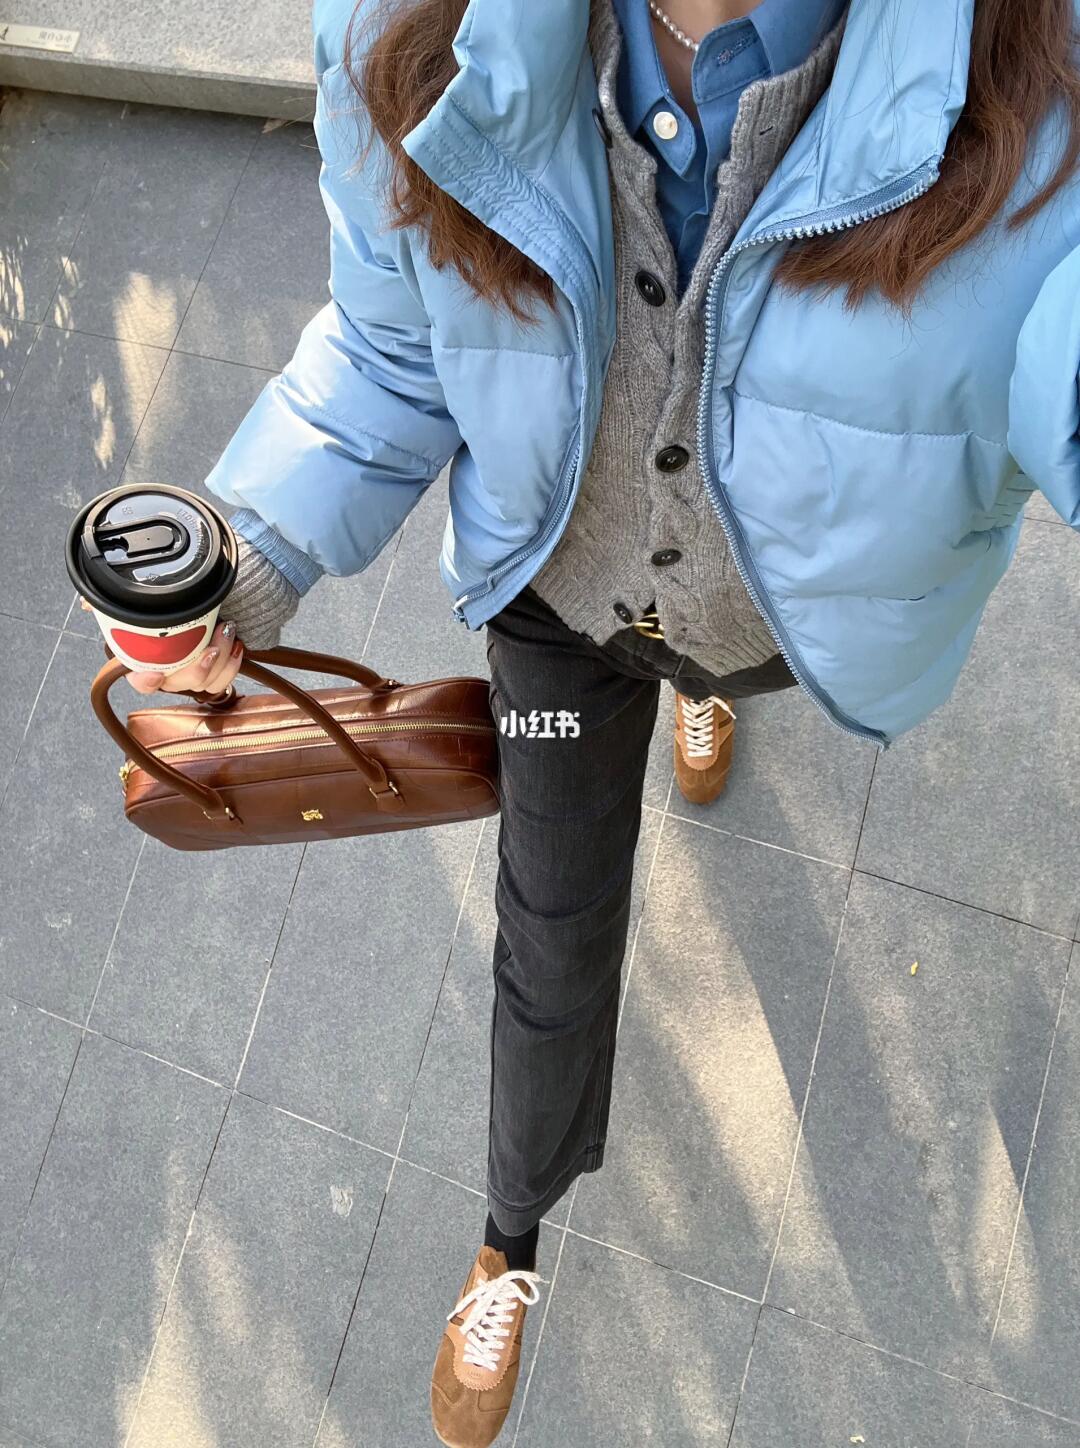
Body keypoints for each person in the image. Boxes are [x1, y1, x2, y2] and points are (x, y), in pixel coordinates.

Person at [120, 0, 1080, 1442]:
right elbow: (390, 346)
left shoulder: (1048, 82)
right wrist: (249, 552)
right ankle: (508, 1236)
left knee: (715, 673)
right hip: (556, 604)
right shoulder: (400, 26)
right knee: (552, 929)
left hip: (781, 619)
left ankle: (699, 696)